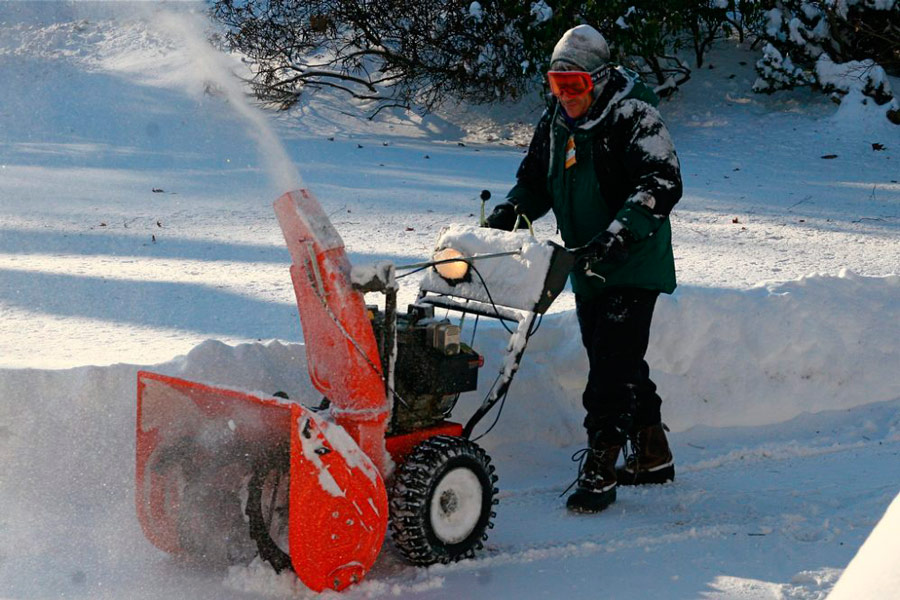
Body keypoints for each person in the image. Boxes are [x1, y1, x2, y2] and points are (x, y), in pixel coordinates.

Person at [484, 24, 682, 513]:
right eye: (557, 84)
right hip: (587, 261)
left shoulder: (636, 115)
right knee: (616, 358)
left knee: (611, 366)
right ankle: (653, 454)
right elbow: (535, 180)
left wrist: (621, 232)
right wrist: (514, 211)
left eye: (575, 86)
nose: (566, 95)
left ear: (599, 79)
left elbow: (663, 181)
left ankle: (600, 465)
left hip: (632, 259)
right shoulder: (556, 120)